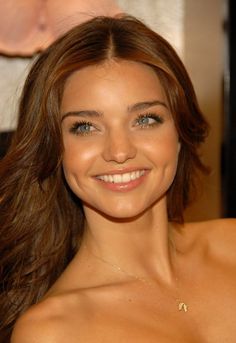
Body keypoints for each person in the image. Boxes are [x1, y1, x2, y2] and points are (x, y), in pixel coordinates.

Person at [0, 15, 236, 343]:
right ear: (54, 149)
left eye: (145, 119)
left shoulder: (231, 245)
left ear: (180, 133)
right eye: (85, 127)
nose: (119, 151)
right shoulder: (54, 331)